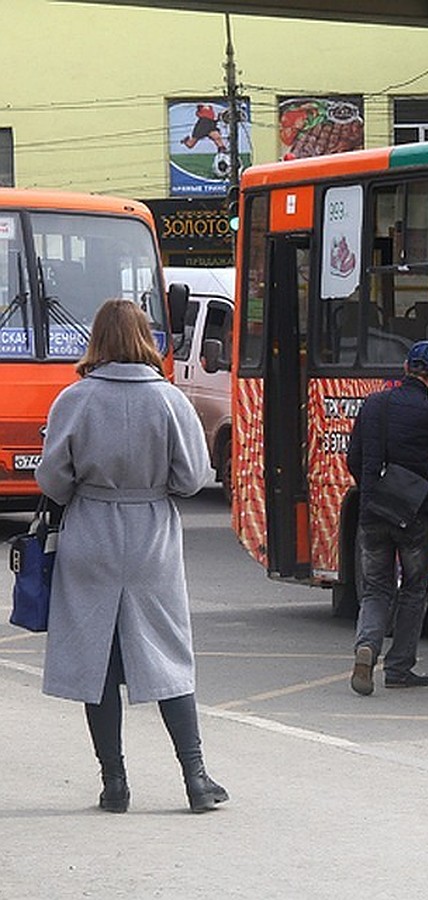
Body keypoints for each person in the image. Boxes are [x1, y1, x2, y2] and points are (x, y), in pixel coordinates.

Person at [35, 299, 227, 814]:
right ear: (146, 337)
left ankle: (114, 783)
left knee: (96, 659)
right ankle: (196, 777)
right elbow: (190, 480)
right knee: (168, 654)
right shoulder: (170, 401)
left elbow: (53, 481)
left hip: (91, 533)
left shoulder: (75, 399)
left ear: (97, 339)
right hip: (150, 539)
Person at [347, 340, 428, 695]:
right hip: (415, 514)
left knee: (375, 589)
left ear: (404, 368)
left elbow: (353, 458)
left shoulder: (373, 405)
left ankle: (366, 647)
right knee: (413, 591)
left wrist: (373, 489)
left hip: (372, 511)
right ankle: (400, 668)